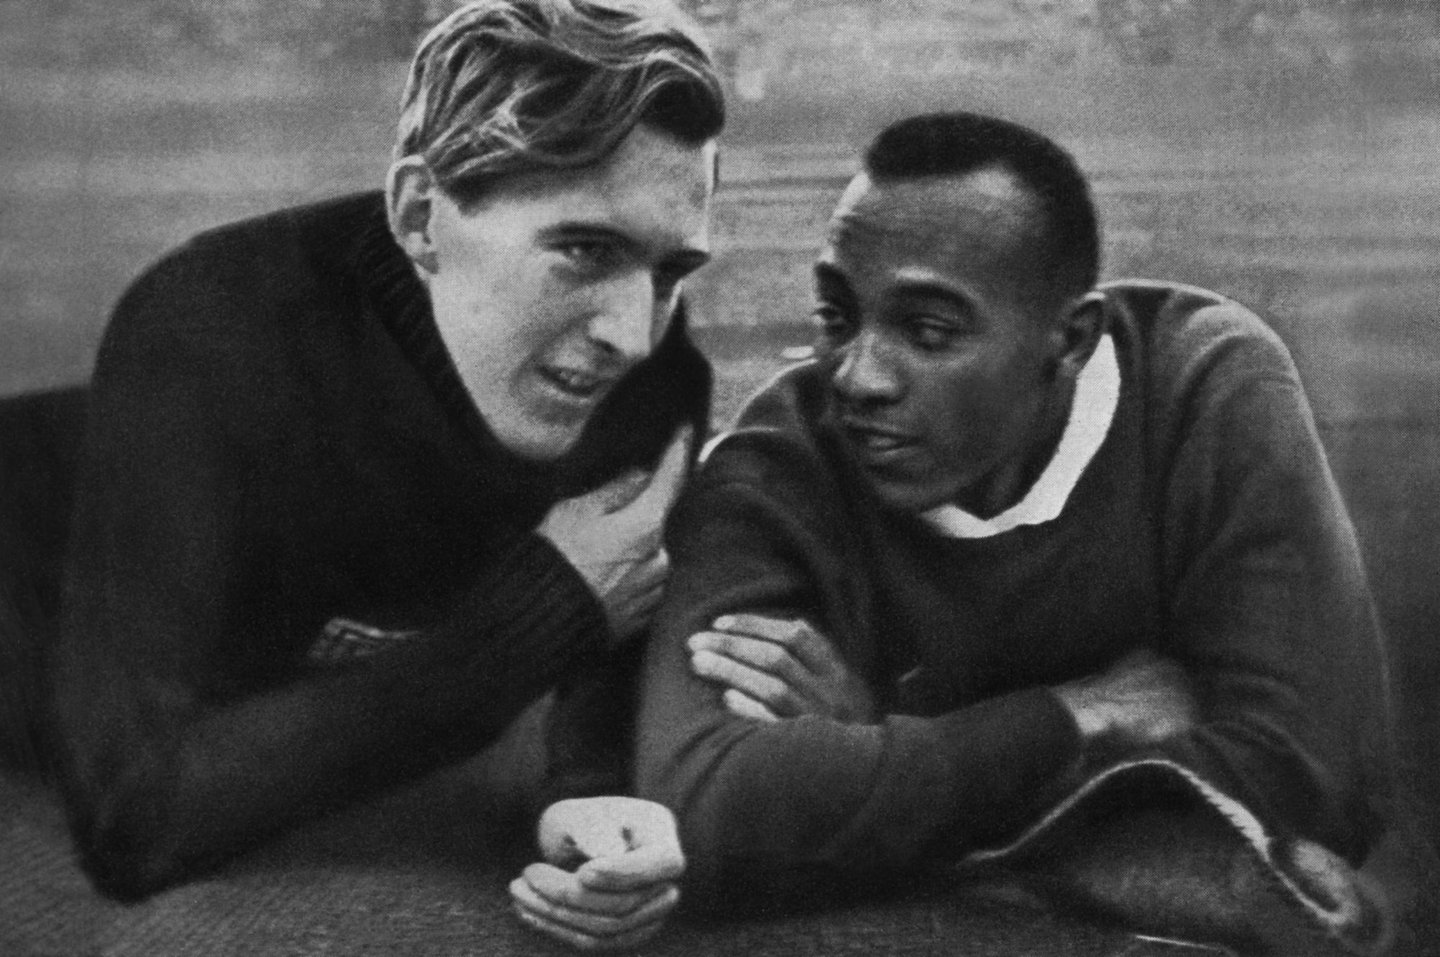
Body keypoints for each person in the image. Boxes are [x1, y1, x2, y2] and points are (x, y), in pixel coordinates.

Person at [47, 0, 722, 949]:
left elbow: (606, 661)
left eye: (670, 269)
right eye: (585, 249)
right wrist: (536, 617)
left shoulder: (655, 374)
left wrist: (589, 803)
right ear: (418, 213)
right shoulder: (206, 325)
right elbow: (134, 817)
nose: (632, 331)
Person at [638, 112, 1395, 951]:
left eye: (928, 331)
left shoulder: (1204, 388)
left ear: (1070, 340)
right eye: (837, 315)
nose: (857, 377)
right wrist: (1077, 715)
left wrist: (872, 757)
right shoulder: (778, 459)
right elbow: (702, 811)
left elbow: (1315, 784)